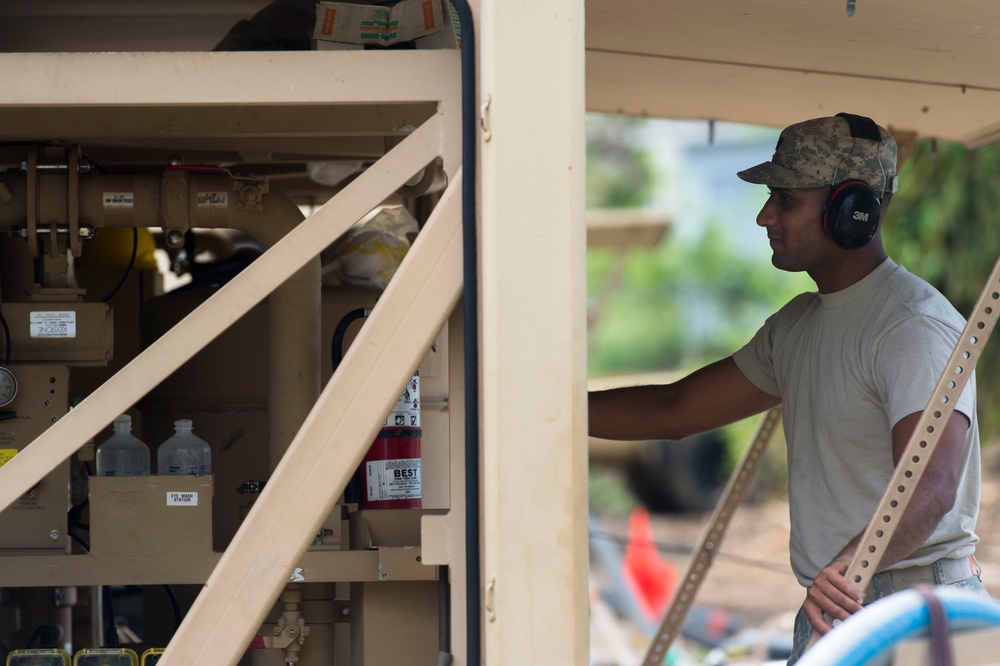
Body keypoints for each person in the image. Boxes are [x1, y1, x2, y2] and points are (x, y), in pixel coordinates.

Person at [588, 113, 985, 663]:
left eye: (785, 199)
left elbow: (930, 485)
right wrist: (545, 409)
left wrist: (849, 565)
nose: (764, 216)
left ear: (853, 212)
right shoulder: (796, 326)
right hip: (845, 605)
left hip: (911, 613)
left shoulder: (911, 328)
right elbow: (674, 409)